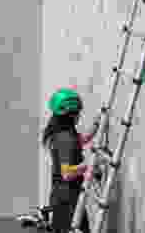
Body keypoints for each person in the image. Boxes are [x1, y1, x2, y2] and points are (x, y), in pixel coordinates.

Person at [42, 87, 99, 233]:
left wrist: (96, 125)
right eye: (77, 112)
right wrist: (89, 165)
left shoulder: (62, 133)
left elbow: (81, 140)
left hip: (63, 198)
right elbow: (67, 174)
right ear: (71, 115)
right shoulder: (66, 138)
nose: (79, 116)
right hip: (68, 202)